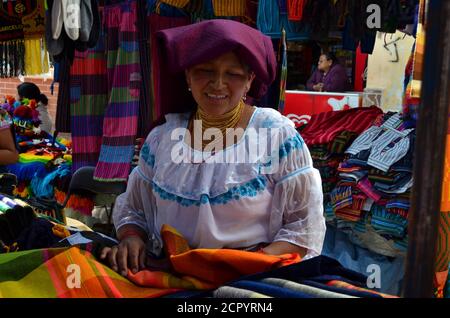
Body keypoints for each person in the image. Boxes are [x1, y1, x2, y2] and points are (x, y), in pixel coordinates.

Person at [101, 19, 326, 277]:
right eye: (205, 71)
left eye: (232, 74)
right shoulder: (162, 138)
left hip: (252, 281)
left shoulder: (275, 135)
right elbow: (133, 208)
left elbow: (303, 227)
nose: (218, 84)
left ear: (250, 79)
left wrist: (241, 267)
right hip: (171, 277)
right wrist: (132, 238)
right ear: (187, 74)